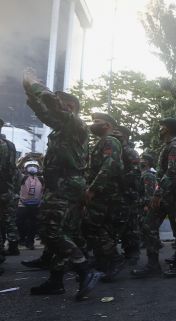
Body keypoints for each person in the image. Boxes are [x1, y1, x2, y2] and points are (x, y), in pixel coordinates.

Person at [23, 69, 101, 299]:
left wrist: (34, 85)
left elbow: (50, 106)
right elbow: (46, 114)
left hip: (66, 186)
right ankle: (56, 280)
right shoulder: (62, 129)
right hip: (63, 185)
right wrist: (31, 96)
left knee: (52, 230)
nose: (57, 105)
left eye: (61, 102)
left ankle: (85, 269)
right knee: (61, 232)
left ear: (70, 107)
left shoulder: (75, 123)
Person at [132, 117, 176, 278]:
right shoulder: (167, 146)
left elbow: (172, 171)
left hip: (172, 195)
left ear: (168, 129)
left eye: (162, 126)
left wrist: (158, 192)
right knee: (149, 225)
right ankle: (153, 265)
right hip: (164, 195)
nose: (159, 129)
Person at [82, 112, 125, 282]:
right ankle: (103, 262)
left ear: (107, 125)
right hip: (101, 193)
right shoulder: (102, 142)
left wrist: (92, 189)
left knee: (93, 227)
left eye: (97, 121)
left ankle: (113, 259)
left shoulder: (110, 141)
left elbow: (109, 166)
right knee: (97, 227)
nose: (93, 124)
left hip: (105, 194)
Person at [113, 126, 142, 265]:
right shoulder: (115, 149)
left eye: (117, 132)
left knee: (130, 225)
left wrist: (119, 180)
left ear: (124, 136)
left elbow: (135, 173)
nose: (114, 134)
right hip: (116, 194)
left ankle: (133, 253)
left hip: (128, 194)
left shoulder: (130, 152)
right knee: (118, 224)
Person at [0, 119, 20, 261]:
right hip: (8, 188)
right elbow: (13, 168)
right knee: (9, 219)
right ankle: (13, 245)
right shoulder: (10, 145)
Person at [16, 161, 43, 250]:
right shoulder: (22, 178)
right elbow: (16, 169)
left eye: (34, 166)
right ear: (25, 168)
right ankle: (22, 239)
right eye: (30, 166)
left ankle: (30, 242)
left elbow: (48, 170)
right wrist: (23, 159)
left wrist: (41, 161)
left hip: (36, 206)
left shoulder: (41, 179)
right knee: (20, 223)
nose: (32, 167)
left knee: (34, 225)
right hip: (23, 205)